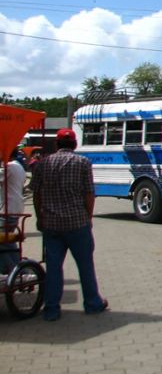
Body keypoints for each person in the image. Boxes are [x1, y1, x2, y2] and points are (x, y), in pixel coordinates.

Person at [30, 128, 107, 321]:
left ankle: (52, 309)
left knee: (54, 267)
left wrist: (40, 217)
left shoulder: (42, 164)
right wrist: (88, 217)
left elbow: (36, 194)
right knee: (85, 265)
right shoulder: (82, 163)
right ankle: (92, 303)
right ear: (74, 144)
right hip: (77, 223)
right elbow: (89, 194)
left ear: (56, 144)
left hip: (51, 224)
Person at [0, 151, 27, 274]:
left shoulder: (9, 166)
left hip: (8, 209)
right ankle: (17, 269)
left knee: (2, 241)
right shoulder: (18, 166)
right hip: (14, 208)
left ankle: (15, 271)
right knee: (8, 241)